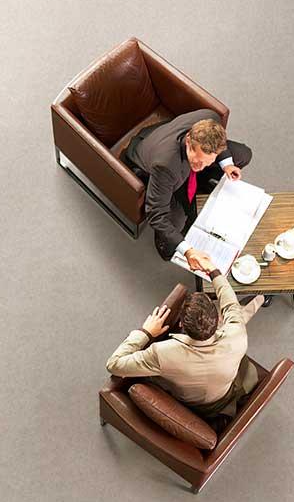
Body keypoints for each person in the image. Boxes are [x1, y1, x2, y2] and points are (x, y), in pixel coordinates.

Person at [106, 253, 264, 422]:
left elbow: (114, 364)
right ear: (218, 319)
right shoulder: (237, 334)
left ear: (181, 324)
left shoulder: (163, 353)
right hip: (225, 393)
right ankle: (261, 298)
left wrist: (146, 332)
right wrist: (213, 270)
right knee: (239, 313)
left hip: (194, 406)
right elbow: (230, 303)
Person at [123, 109, 253, 271]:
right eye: (197, 160)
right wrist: (188, 251)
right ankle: (164, 247)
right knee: (176, 219)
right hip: (145, 161)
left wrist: (227, 164)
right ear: (189, 140)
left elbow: (220, 146)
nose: (200, 167)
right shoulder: (166, 165)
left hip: (166, 136)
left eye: (207, 162)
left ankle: (201, 179)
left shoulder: (211, 118)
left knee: (243, 154)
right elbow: (155, 214)